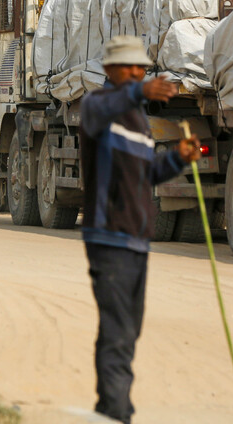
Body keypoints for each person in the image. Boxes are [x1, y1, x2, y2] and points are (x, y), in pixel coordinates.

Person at [79, 35, 201, 423]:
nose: (137, 73)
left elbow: (147, 175)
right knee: (117, 330)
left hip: (136, 238)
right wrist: (140, 91)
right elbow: (111, 104)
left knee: (129, 329)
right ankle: (117, 412)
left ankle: (109, 408)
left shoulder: (137, 120)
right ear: (110, 69)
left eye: (142, 69)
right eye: (130, 67)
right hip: (107, 234)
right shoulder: (98, 105)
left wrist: (179, 159)